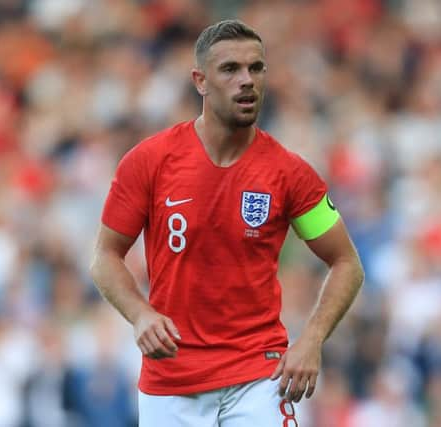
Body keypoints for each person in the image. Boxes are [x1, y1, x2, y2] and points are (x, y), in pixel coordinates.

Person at [90, 19, 364, 427]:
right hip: (172, 380)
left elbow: (346, 263)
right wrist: (140, 314)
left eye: (256, 68)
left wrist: (311, 339)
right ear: (200, 81)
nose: (247, 80)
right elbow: (105, 257)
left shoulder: (291, 173)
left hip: (259, 375)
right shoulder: (149, 162)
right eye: (230, 69)